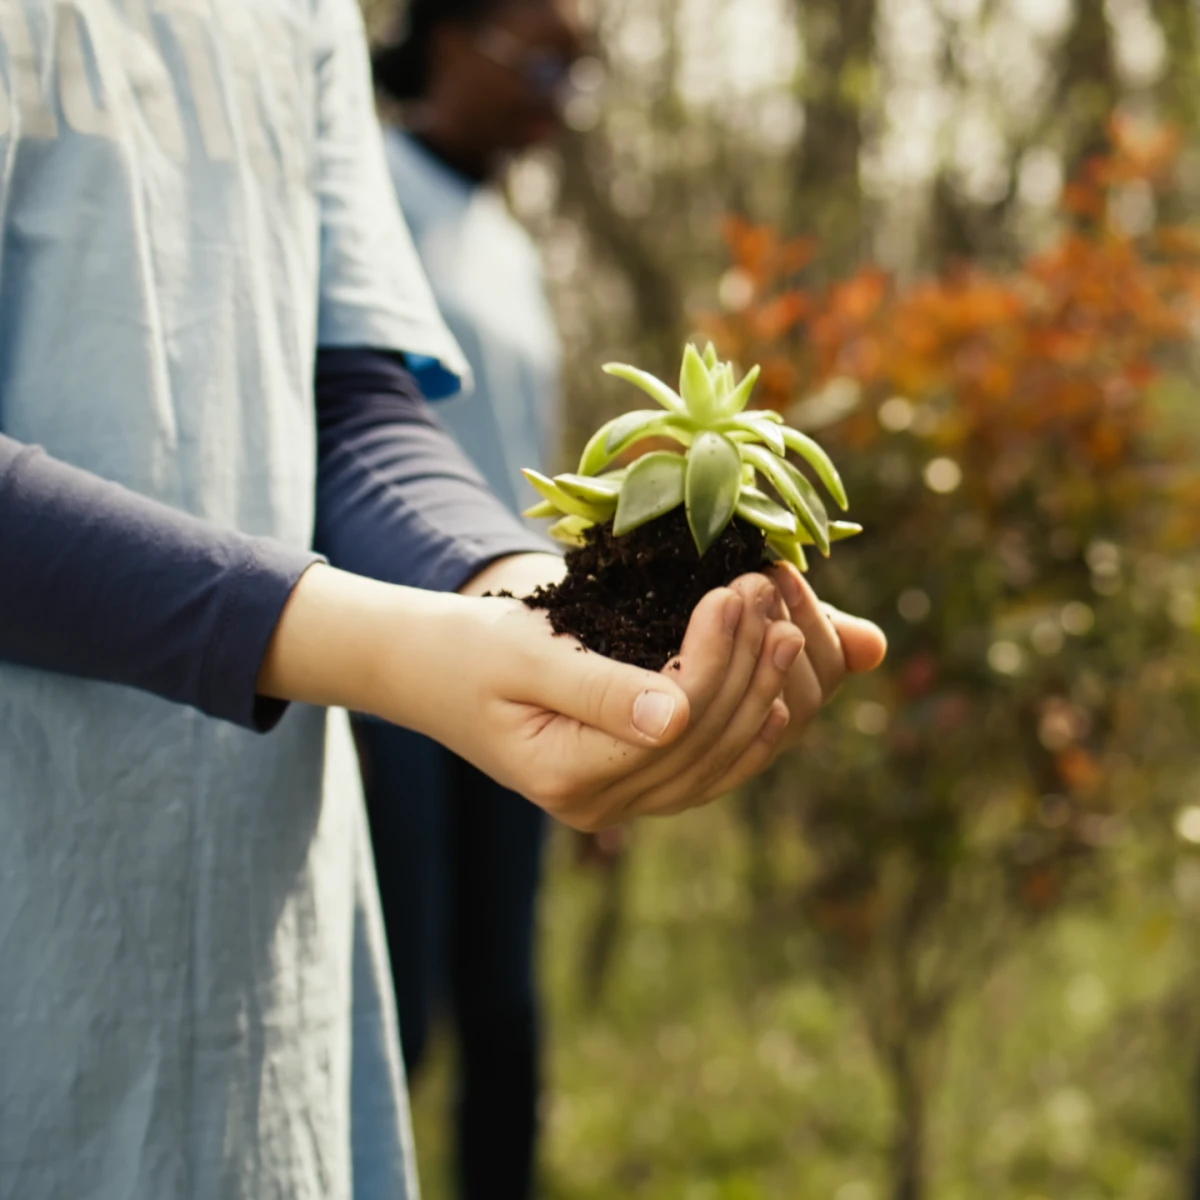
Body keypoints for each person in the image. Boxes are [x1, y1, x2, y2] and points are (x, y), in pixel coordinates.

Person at [0, 4, 887, 1200]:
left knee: (502, 997)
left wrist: (517, 594)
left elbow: (350, 402)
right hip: (49, 982)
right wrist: (373, 644)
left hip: (264, 1004)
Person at [360, 3, 586, 1195]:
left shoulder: (507, 234)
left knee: (505, 997)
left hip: (521, 645)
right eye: (542, 61)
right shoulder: (365, 192)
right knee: (395, 1002)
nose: (558, 97)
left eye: (579, 74)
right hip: (385, 668)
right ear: (449, 36)